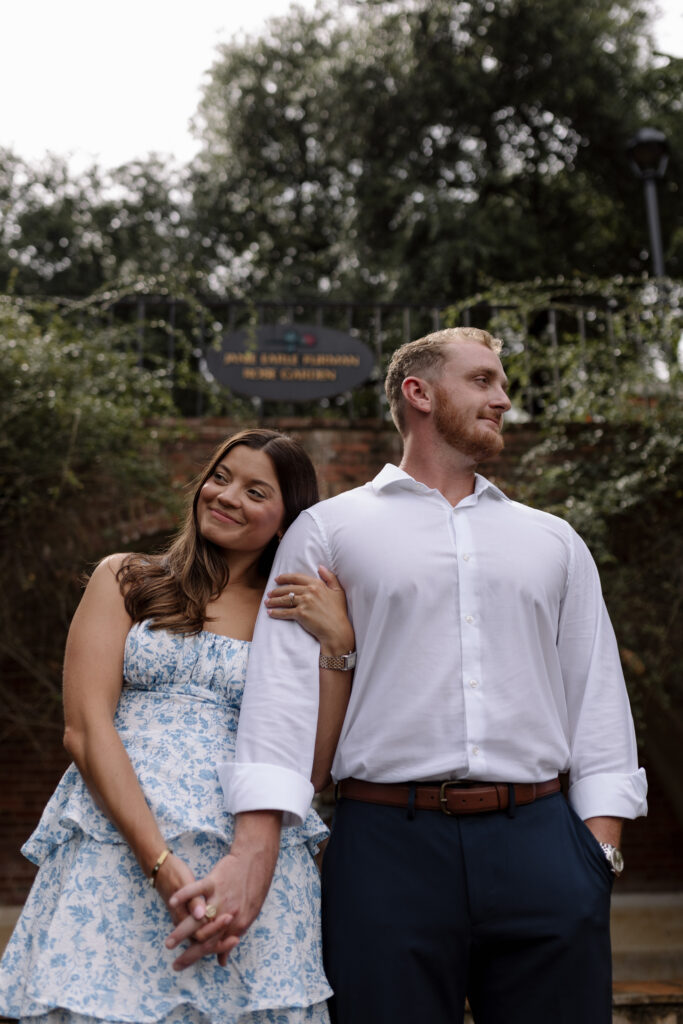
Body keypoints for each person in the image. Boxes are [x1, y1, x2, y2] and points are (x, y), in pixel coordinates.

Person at [170, 328, 648, 1024]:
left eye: (501, 382)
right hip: (384, 848)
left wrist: (596, 855)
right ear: (417, 393)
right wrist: (254, 848)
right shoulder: (327, 531)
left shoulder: (554, 541)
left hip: (542, 844)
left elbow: (596, 699)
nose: (503, 398)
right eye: (482, 380)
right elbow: (282, 697)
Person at [0, 428, 355, 1024]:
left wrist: (339, 643)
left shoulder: (291, 612)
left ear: (287, 519)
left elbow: (311, 770)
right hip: (119, 848)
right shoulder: (129, 579)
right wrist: (162, 866)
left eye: (255, 490)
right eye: (220, 477)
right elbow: (86, 729)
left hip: (246, 865)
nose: (227, 496)